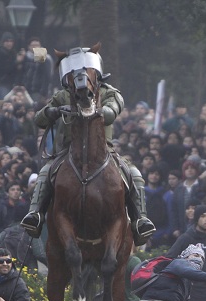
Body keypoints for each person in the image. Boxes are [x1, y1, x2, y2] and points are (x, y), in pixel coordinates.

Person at [20, 46, 155, 246]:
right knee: (46, 171)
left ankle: (140, 220)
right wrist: (55, 111)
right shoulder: (63, 95)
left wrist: (96, 110)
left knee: (133, 173)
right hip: (69, 151)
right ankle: (35, 215)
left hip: (105, 149)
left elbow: (111, 113)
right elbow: (39, 119)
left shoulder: (110, 93)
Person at [0, 32, 23, 99]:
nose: (9, 43)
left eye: (11, 41)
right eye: (7, 41)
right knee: (5, 102)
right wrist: (16, 62)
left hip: (11, 83)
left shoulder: (13, 53)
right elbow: (5, 68)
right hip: (3, 82)